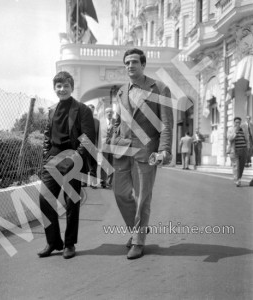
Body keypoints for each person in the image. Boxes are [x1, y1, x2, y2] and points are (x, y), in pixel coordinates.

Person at [111, 48, 173, 259]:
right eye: (127, 62)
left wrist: (164, 150)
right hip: (122, 150)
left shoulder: (160, 88)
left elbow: (165, 123)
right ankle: (139, 229)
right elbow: (117, 121)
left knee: (142, 198)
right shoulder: (121, 91)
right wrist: (112, 141)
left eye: (134, 62)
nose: (130, 66)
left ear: (143, 64)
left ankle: (137, 240)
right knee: (120, 194)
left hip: (146, 150)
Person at [37, 71, 95, 259]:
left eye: (66, 86)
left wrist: (74, 159)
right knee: (45, 200)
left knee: (71, 203)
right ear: (55, 88)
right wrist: (46, 157)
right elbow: (47, 136)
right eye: (59, 86)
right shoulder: (52, 110)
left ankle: (69, 244)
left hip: (73, 159)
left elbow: (87, 140)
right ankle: (53, 242)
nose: (62, 89)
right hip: (53, 160)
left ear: (72, 87)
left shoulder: (83, 110)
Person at [227, 117, 249, 187]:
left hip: (243, 150)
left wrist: (247, 148)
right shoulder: (230, 129)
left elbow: (247, 139)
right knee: (236, 166)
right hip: (234, 151)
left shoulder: (243, 129)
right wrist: (235, 132)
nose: (237, 124)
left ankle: (239, 178)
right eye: (236, 122)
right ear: (234, 123)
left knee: (241, 166)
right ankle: (237, 180)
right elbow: (230, 138)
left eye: (239, 122)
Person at [100, 107, 114, 188]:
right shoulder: (101, 122)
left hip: (113, 146)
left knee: (112, 164)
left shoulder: (116, 121)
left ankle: (110, 181)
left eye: (111, 112)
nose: (109, 113)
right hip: (104, 145)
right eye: (108, 112)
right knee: (104, 163)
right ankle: (103, 181)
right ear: (105, 113)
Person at [86, 104, 100, 188]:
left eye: (92, 110)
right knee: (83, 164)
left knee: (93, 166)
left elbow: (98, 135)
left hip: (94, 147)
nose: (91, 111)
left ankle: (93, 183)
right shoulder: (82, 120)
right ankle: (83, 182)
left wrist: (98, 146)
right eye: (89, 110)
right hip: (83, 146)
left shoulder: (97, 122)